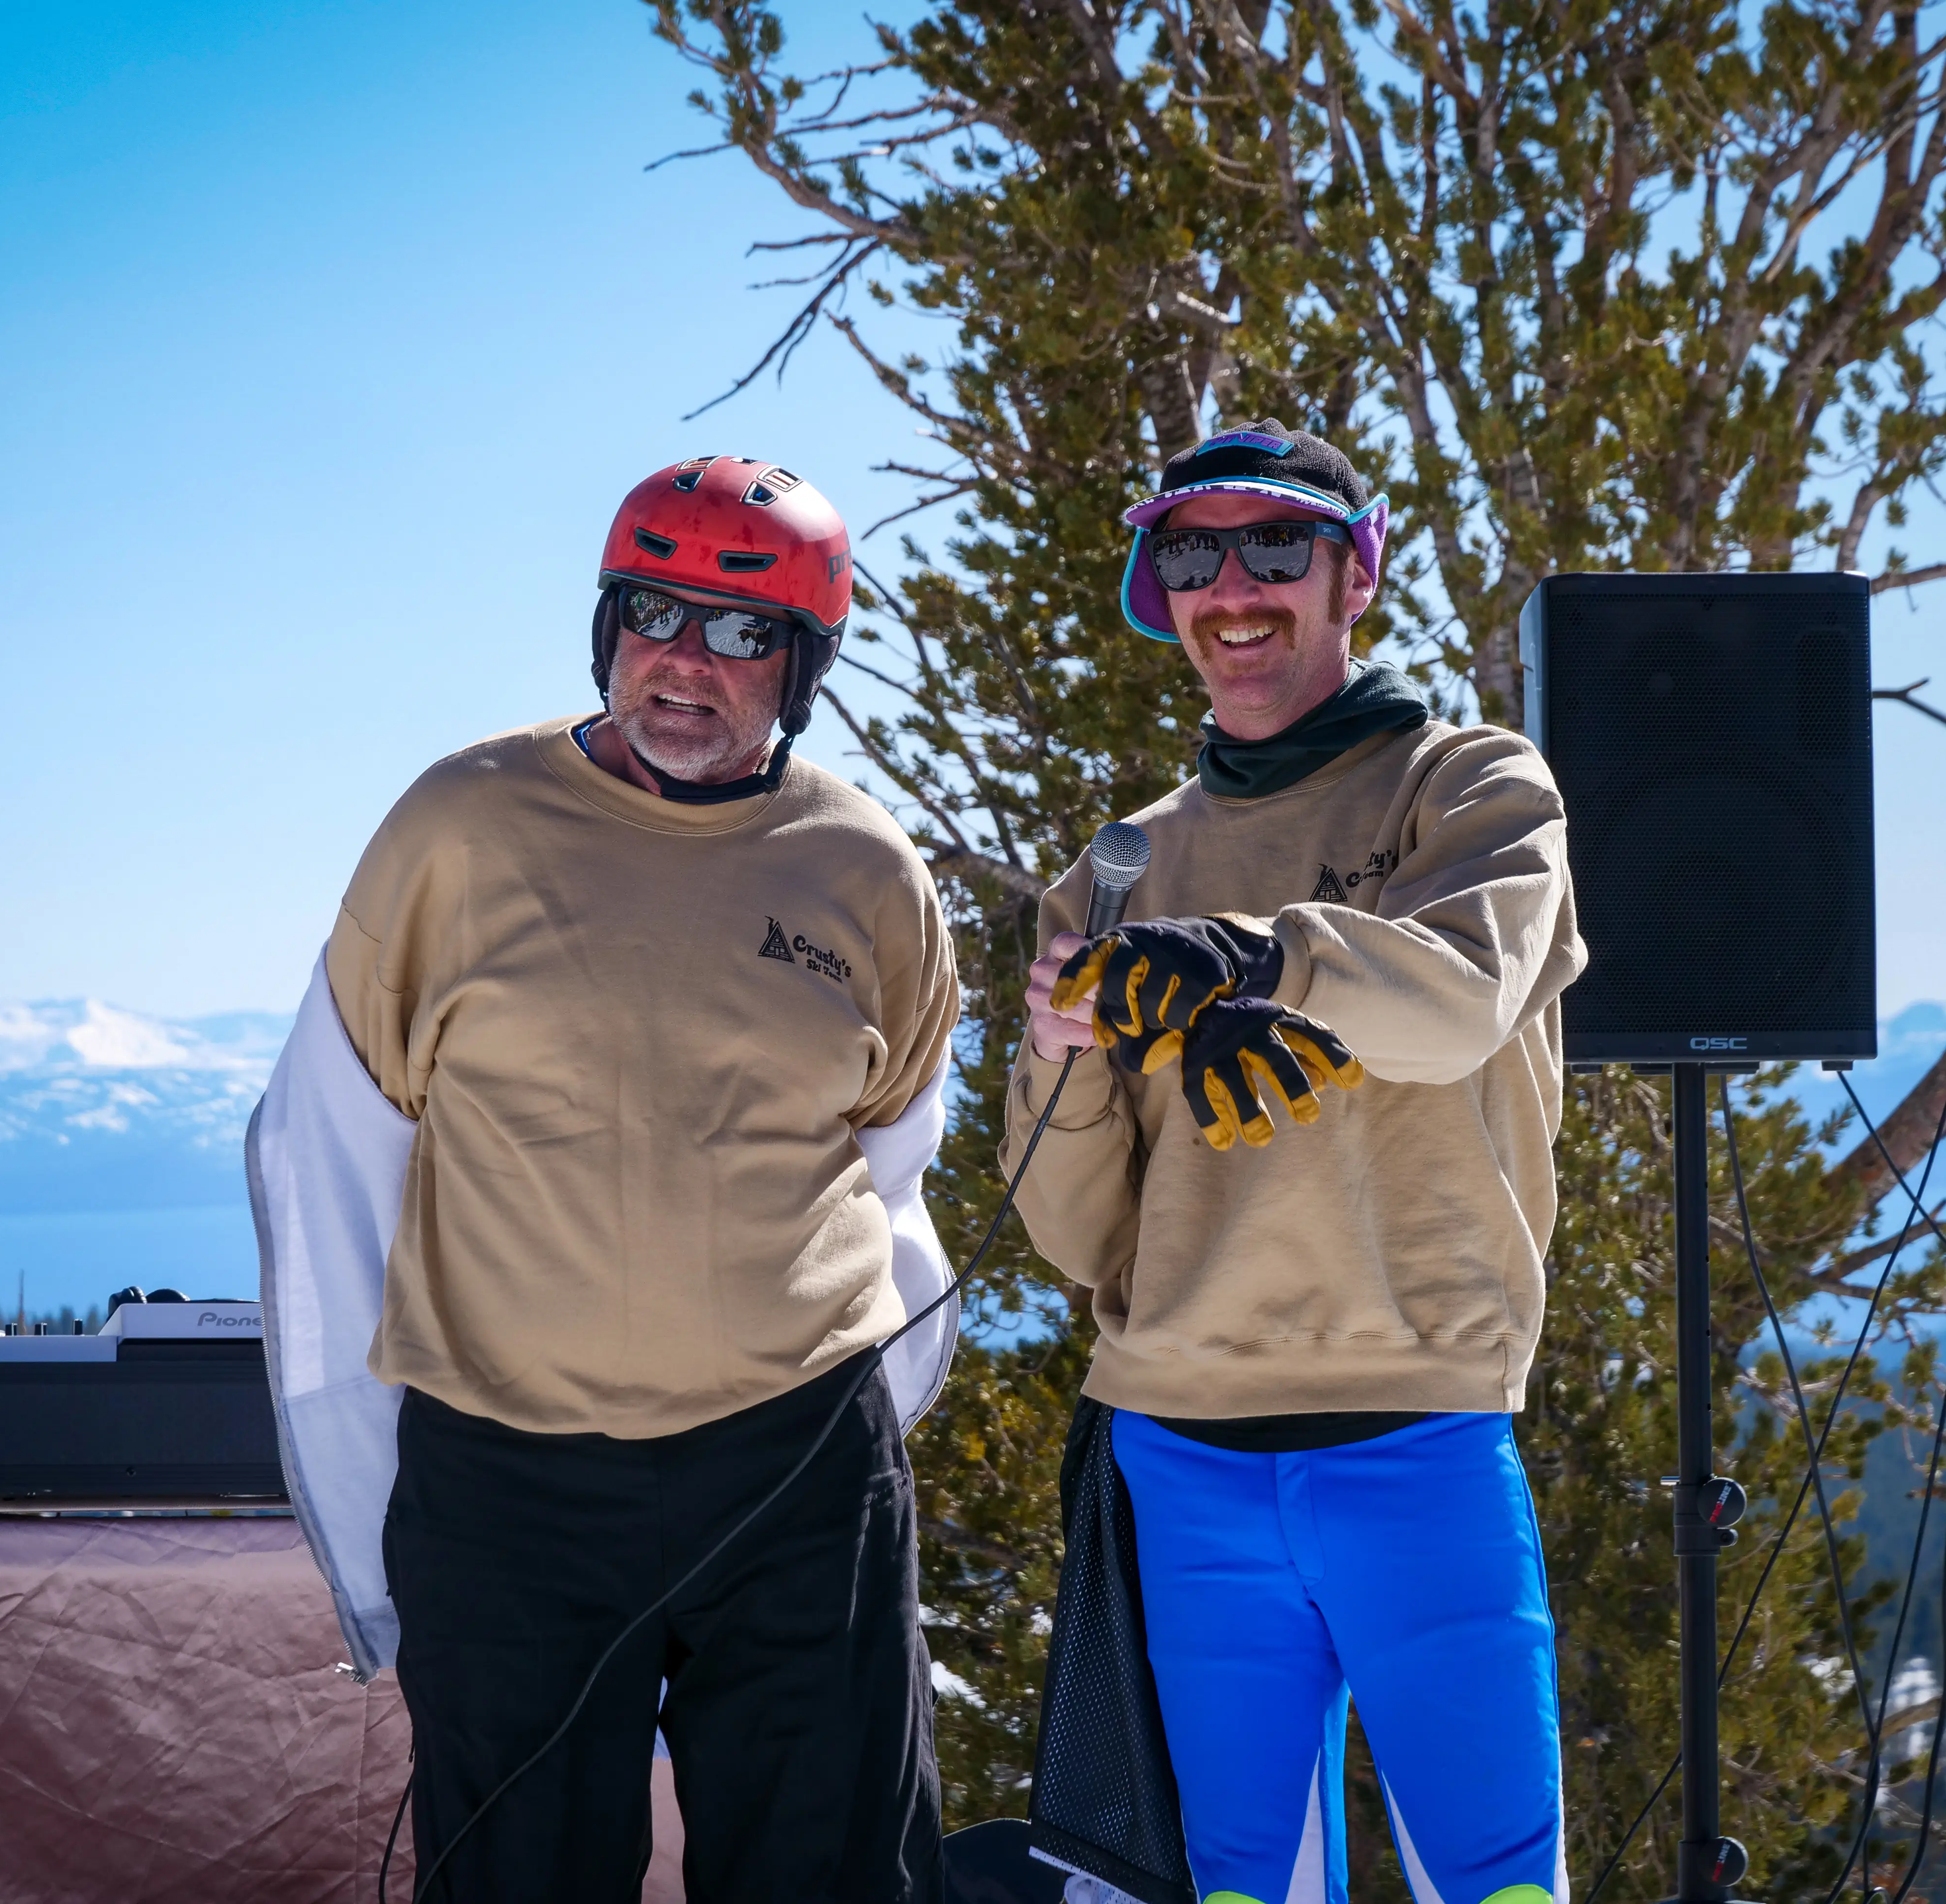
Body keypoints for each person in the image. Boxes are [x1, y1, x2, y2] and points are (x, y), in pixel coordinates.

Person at [247, 455, 961, 1902]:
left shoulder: (865, 870)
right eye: (654, 613)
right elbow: (325, 1159)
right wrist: (365, 1497)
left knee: (833, 1874)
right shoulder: (458, 829)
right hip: (511, 1480)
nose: (688, 665)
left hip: (797, 1473)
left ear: (806, 665)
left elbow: (890, 1167)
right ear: (605, 628)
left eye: (744, 632)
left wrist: (858, 1405)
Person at [1005, 422, 1586, 1904]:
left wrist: (1269, 959)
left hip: (1422, 1433)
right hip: (1180, 1454)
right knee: (1225, 1893)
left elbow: (1458, 1001)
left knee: (1502, 1889)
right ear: (1162, 593)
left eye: (1278, 545)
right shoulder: (1122, 867)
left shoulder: (1470, 789)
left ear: (1354, 575)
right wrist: (1064, 1053)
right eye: (1192, 553)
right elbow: (1077, 1236)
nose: (1233, 586)